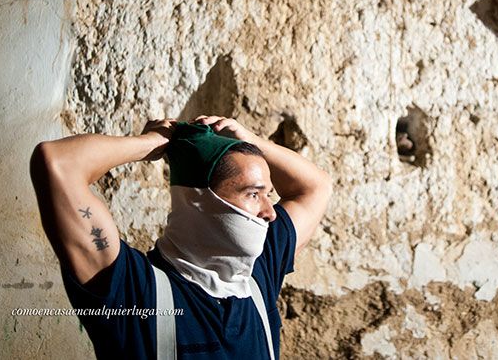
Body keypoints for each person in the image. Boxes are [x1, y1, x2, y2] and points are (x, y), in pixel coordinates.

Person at [30, 115, 333, 359]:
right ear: (201, 200)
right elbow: (57, 163)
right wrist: (153, 142)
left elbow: (316, 186)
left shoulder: (258, 273)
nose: (271, 212)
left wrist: (249, 143)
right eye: (253, 194)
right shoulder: (134, 291)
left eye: (269, 195)